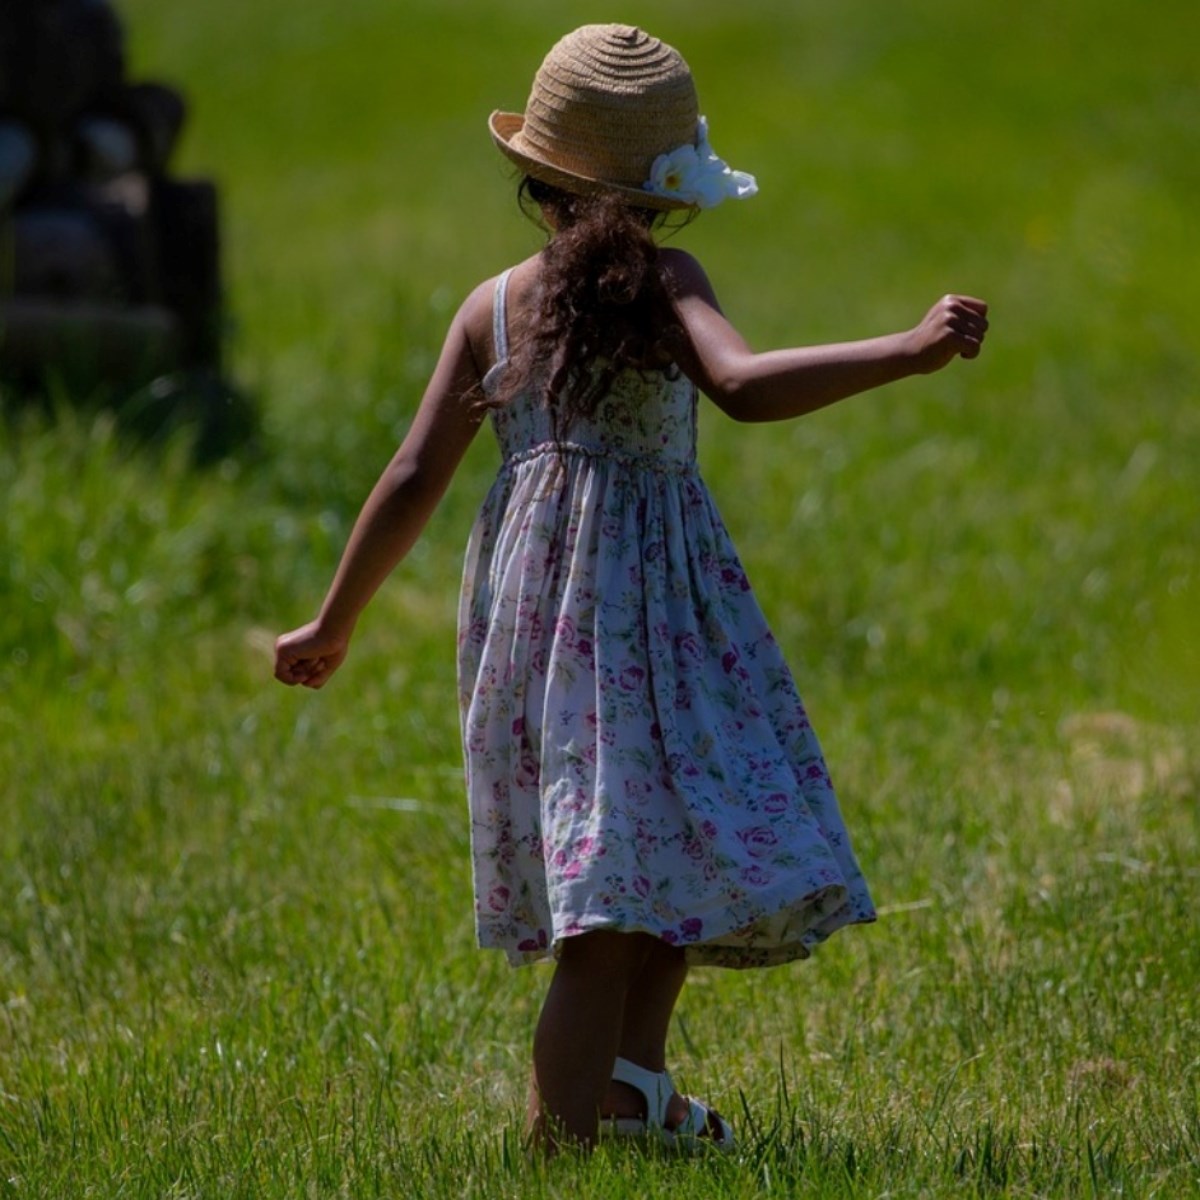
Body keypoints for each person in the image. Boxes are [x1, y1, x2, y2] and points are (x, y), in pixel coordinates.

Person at [273, 23, 988, 1154]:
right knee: (609, 904)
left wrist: (335, 618)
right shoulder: (664, 280)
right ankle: (563, 1147)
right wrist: (904, 349)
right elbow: (743, 388)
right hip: (650, 611)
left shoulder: (490, 304)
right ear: (663, 192)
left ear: (539, 175)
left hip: (539, 622)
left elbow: (414, 477)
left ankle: (628, 1094)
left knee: (663, 859)